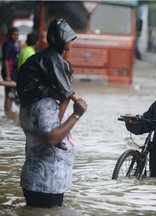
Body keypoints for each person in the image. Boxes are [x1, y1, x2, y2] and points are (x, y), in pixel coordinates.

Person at [16, 19, 88, 208]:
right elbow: (50, 138)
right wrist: (77, 112)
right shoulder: (45, 105)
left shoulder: (44, 102)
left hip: (45, 181)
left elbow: (64, 92)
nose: (73, 42)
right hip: (44, 184)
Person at [1, 27, 21, 111]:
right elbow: (5, 60)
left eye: (17, 35)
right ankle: (7, 113)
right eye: (14, 35)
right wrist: (8, 75)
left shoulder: (13, 44)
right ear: (9, 35)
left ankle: (8, 113)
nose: (16, 36)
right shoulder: (8, 45)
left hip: (13, 72)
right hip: (8, 72)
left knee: (11, 93)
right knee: (9, 93)